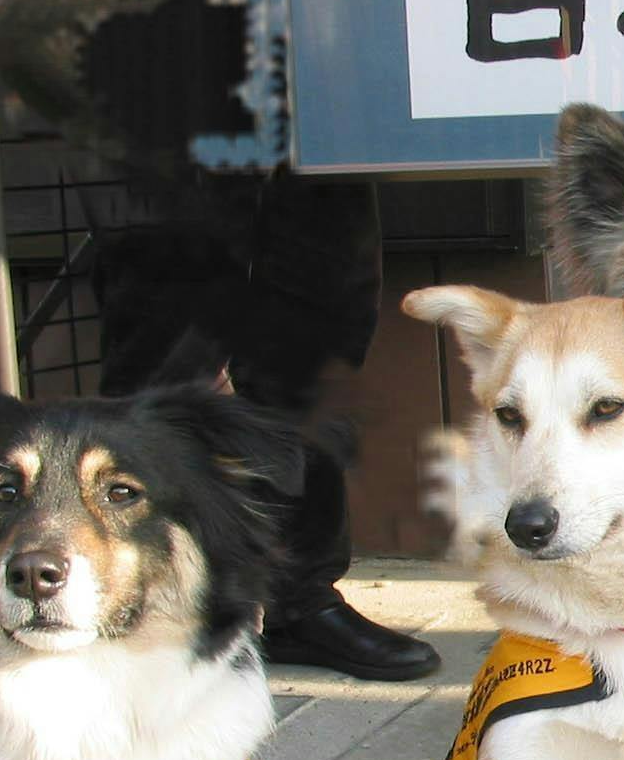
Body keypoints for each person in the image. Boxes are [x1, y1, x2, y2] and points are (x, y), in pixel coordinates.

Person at [94, 174, 440, 682]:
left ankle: (296, 603)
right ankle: (148, 609)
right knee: (164, 335)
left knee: (318, 326)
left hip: (313, 108)